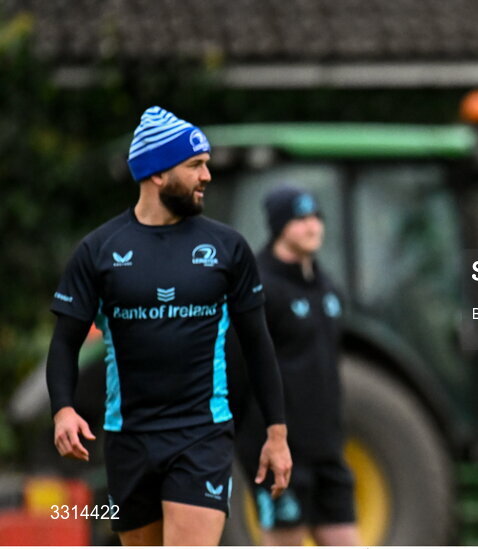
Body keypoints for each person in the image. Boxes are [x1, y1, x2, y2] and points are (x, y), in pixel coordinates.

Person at [46, 106, 293, 546]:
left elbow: (258, 345)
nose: (206, 176)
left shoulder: (227, 248)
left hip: (201, 436)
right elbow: (64, 344)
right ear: (158, 174)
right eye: (195, 165)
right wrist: (63, 409)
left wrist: (277, 434)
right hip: (128, 439)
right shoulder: (99, 251)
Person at [233, 185, 358, 545]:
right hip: (278, 453)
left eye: (316, 217)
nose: (312, 227)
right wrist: (252, 440)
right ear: (279, 226)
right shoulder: (257, 289)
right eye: (300, 219)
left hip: (328, 450)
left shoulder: (327, 288)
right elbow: (237, 372)